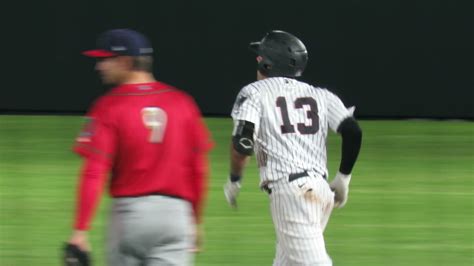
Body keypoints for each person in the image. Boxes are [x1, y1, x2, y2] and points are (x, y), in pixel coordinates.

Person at [66, 28, 212, 266]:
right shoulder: (183, 103)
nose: (99, 66)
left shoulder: (108, 106)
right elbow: (199, 170)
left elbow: (94, 171)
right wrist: (195, 220)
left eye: (104, 59)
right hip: (176, 218)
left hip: (130, 218)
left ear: (125, 61)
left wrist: (80, 231)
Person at [223, 30, 362, 265]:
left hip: (292, 195)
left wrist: (235, 179)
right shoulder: (321, 95)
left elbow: (243, 143)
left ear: (265, 62)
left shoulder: (254, 93)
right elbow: (352, 131)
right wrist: (343, 179)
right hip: (319, 192)